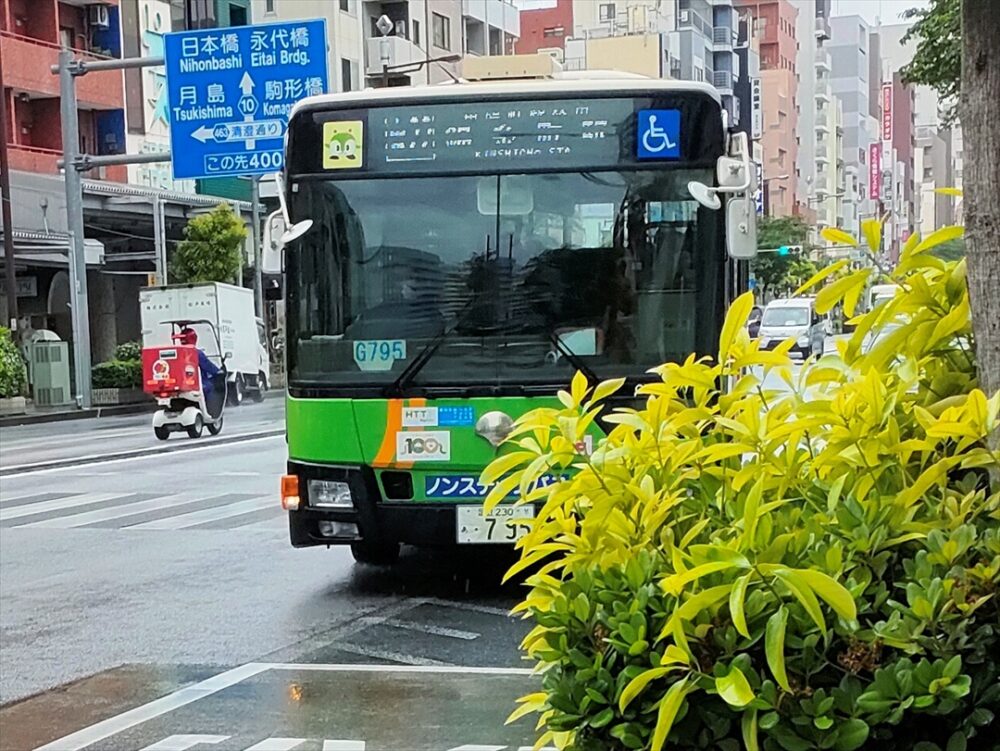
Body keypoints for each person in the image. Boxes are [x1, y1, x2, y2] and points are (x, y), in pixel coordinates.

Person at [176, 328, 220, 397]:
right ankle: (211, 407)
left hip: (181, 384)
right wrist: (218, 371)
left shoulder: (178, 353)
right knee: (211, 387)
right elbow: (208, 366)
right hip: (197, 383)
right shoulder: (196, 353)